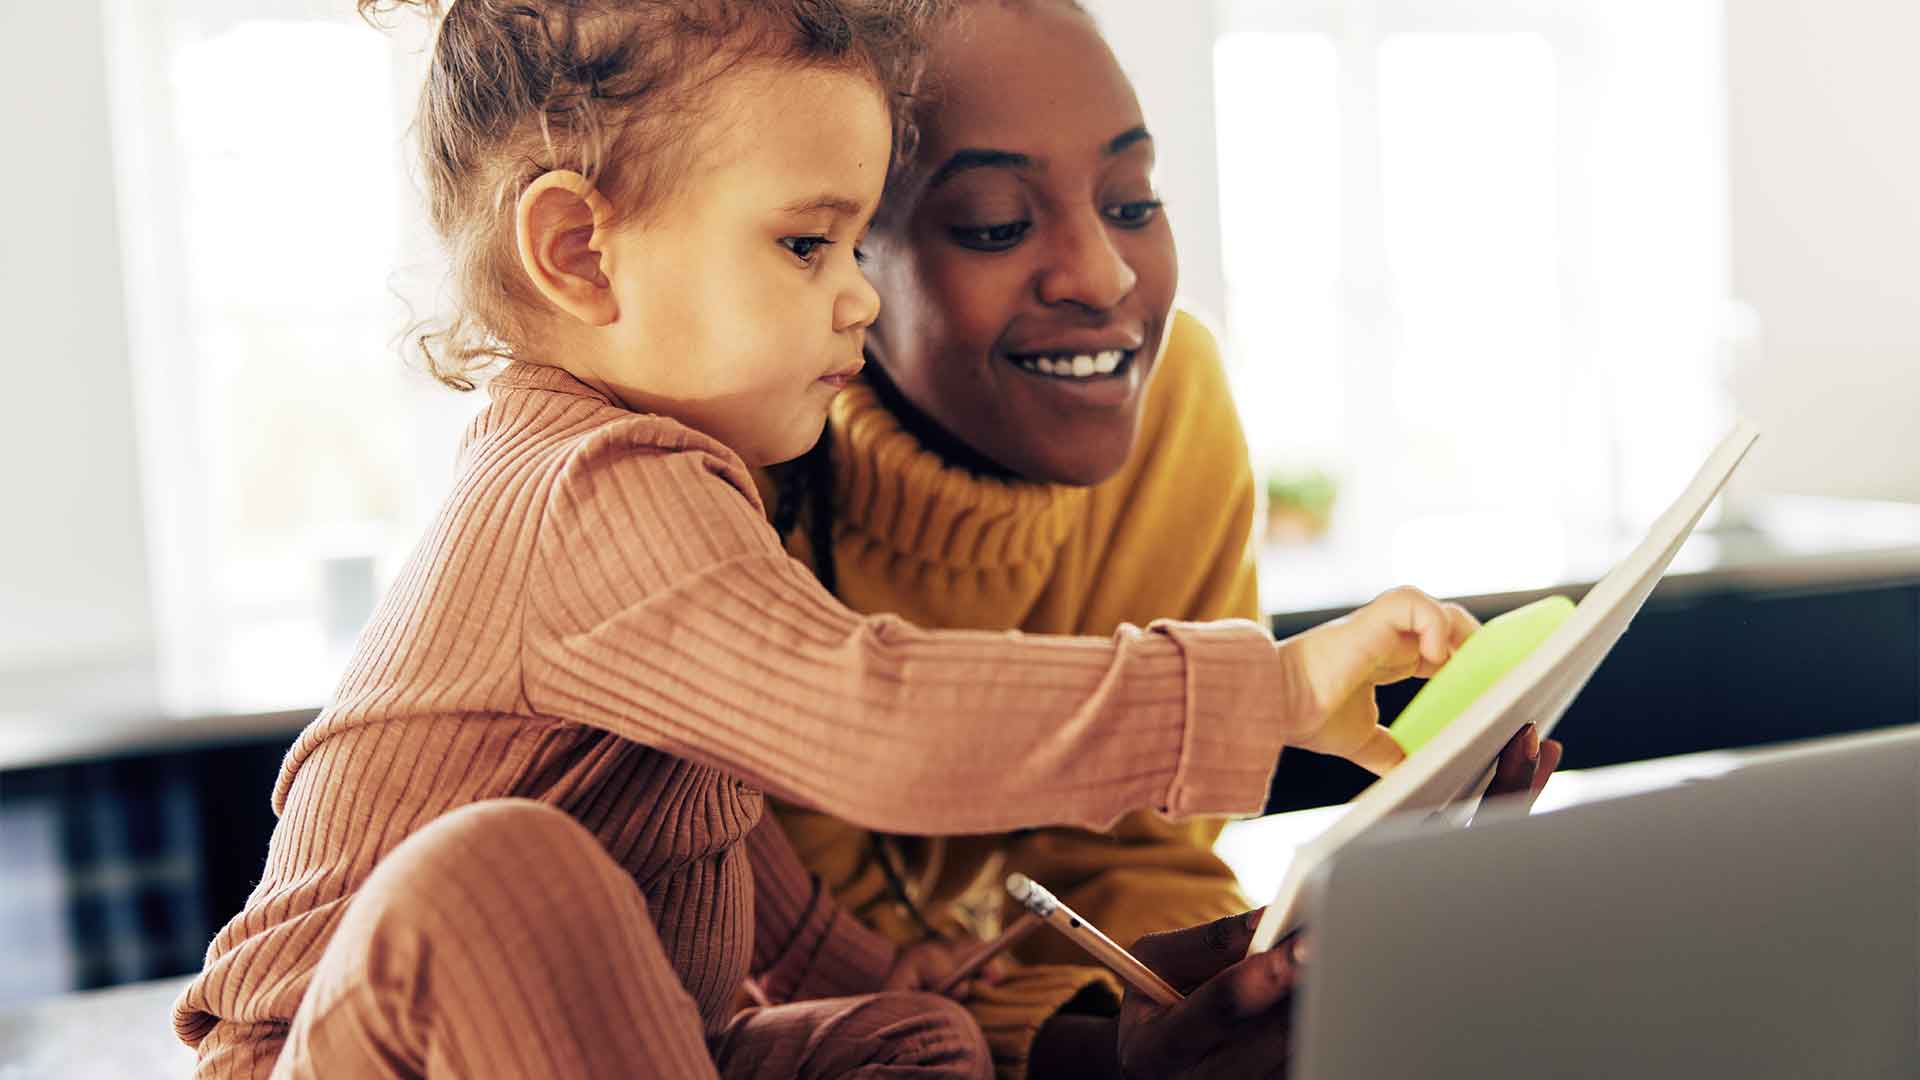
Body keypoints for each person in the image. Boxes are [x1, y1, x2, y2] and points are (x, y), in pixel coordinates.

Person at [170, 2, 1482, 1076]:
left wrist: (942, 990)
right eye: (806, 244)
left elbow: (736, 862)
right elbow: (879, 720)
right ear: (581, 253)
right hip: (341, 1052)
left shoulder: (686, 485)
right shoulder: (586, 490)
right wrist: (1276, 685)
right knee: (498, 873)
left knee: (906, 1041)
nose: (857, 290)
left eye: (856, 238)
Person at [761, 2, 1563, 1075]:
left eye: (1133, 200)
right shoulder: (724, 481)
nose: (1102, 277)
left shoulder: (1172, 397)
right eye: (997, 223)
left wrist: (1247, 975)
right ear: (845, 257)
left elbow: (1144, 849)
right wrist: (1088, 1046)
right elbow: (781, 967)